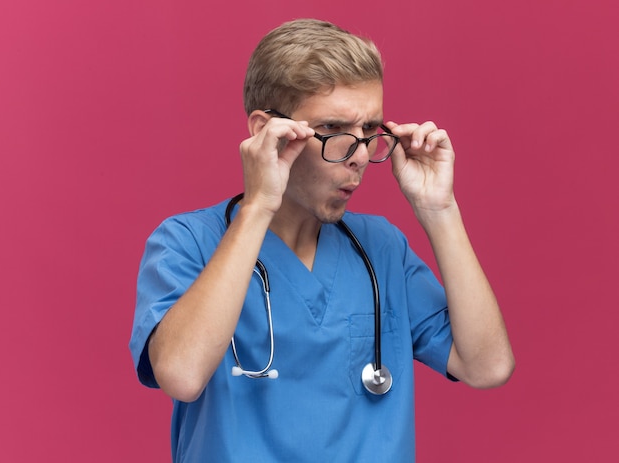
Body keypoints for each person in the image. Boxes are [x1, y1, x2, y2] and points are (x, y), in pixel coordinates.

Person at [129, 18, 515, 462]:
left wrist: (439, 210)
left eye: (370, 130)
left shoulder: (381, 248)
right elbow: (180, 374)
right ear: (264, 131)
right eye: (333, 130)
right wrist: (257, 207)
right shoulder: (187, 242)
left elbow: (487, 367)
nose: (360, 156)